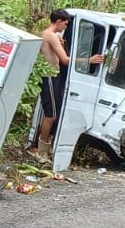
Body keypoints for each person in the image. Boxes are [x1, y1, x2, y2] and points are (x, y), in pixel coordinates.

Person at [34, 9, 100, 154]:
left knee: (53, 112)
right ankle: (41, 151)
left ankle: (40, 144)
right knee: (51, 115)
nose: (66, 27)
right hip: (49, 76)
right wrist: (90, 60)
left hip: (55, 76)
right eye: (65, 24)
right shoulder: (49, 35)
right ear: (58, 21)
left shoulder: (54, 36)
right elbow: (65, 59)